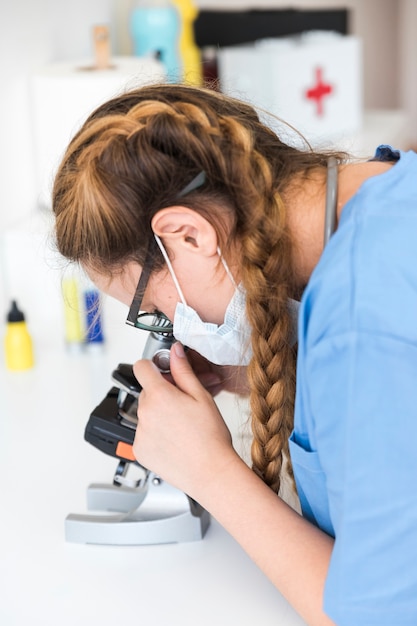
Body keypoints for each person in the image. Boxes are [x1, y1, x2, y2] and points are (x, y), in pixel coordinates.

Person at [52, 83, 417, 626]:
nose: (173, 329)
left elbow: (373, 618)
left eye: (154, 308)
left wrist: (210, 471)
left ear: (190, 236)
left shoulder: (364, 320)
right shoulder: (386, 189)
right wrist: (272, 368)